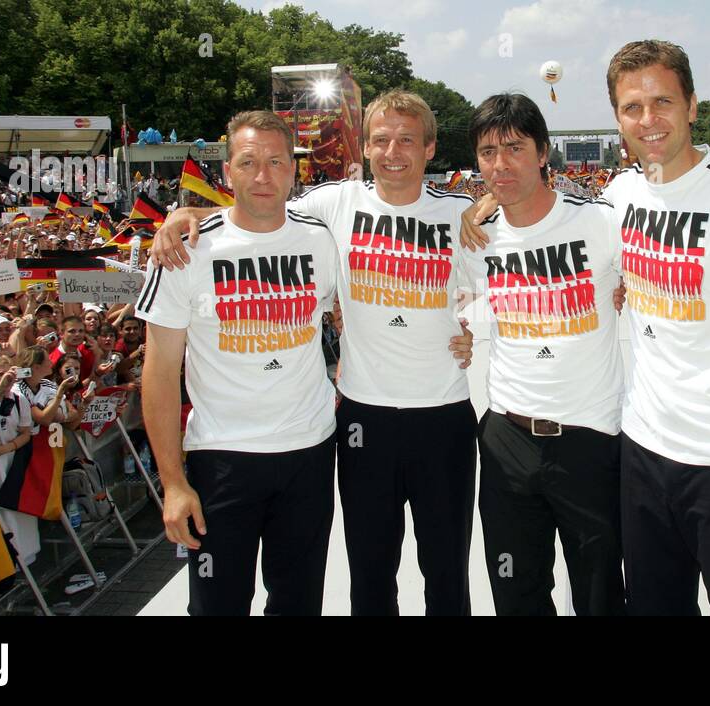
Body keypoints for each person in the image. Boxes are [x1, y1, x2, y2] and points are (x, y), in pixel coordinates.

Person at [465, 40, 710, 615]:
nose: (648, 120)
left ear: (693, 106)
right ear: (617, 118)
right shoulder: (620, 199)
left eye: (662, 102)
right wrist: (481, 205)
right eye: (633, 108)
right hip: (643, 450)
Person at [148, 91, 478, 616]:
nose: (393, 151)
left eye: (407, 140)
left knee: (446, 573)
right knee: (367, 575)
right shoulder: (333, 208)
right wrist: (182, 213)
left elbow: (517, 273)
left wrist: (477, 328)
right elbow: (256, 208)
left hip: (436, 419)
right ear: (365, 149)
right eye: (381, 140)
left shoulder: (462, 213)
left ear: (431, 148)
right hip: (354, 422)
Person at [138, 110, 340, 616]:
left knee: (298, 605)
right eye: (248, 162)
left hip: (309, 454)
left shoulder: (322, 239)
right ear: (227, 173)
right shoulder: (187, 249)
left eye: (276, 162)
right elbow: (159, 375)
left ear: (294, 170)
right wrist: (173, 484)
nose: (263, 176)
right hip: (222, 461)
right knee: (217, 606)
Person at [457, 93, 625, 615]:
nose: (500, 164)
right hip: (508, 437)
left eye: (514, 148)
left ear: (543, 152)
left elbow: (672, 279)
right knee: (517, 593)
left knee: (600, 593)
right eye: (487, 152)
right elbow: (452, 307)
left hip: (590, 438)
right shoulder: (475, 239)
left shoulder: (600, 224)